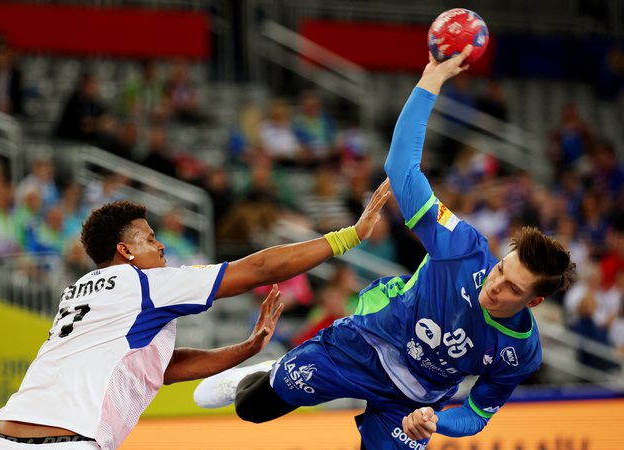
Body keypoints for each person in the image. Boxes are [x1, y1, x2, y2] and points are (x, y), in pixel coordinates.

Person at [193, 46, 578, 449]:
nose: (496, 286)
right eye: (501, 270)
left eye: (514, 289)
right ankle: (269, 371)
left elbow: (476, 417)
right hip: (364, 345)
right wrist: (431, 80)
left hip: (412, 401)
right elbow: (401, 169)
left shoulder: (521, 351)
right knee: (252, 408)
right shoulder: (462, 249)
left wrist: (435, 423)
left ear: (533, 303)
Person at [0, 179, 390, 450]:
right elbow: (260, 270)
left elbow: (155, 368)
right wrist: (348, 236)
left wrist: (244, 349)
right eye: (149, 238)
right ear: (125, 252)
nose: (161, 246)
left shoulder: (76, 291)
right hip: (68, 441)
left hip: (5, 437)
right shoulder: (143, 284)